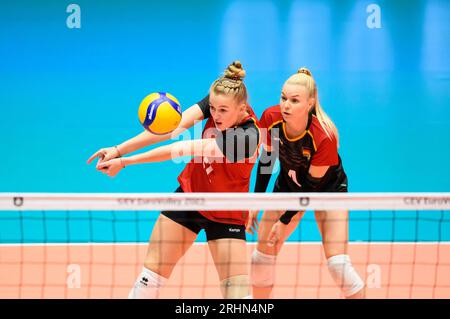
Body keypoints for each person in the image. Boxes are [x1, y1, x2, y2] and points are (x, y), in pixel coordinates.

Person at [87, 61, 260, 299]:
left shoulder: (247, 138)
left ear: (243, 109)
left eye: (223, 111)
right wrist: (119, 150)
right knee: (150, 278)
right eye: (213, 108)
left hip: (226, 211)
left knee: (238, 295)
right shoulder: (216, 102)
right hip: (190, 198)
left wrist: (126, 163)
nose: (216, 115)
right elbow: (172, 128)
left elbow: (180, 148)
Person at [247, 67, 365, 299]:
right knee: (261, 259)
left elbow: (310, 188)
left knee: (338, 266)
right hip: (290, 186)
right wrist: (256, 202)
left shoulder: (324, 136)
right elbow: (267, 161)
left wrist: (284, 220)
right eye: (283, 98)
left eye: (294, 100)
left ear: (309, 104)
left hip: (328, 192)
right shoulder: (271, 119)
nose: (286, 105)